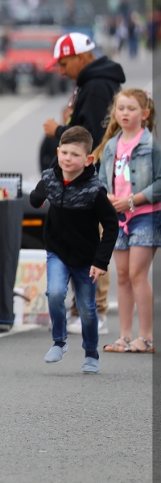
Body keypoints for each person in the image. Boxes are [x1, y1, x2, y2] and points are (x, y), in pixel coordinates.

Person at [29, 126, 119, 373]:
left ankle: (91, 352)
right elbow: (36, 198)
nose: (68, 159)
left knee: (87, 309)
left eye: (75, 155)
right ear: (58, 152)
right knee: (55, 293)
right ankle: (59, 342)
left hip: (86, 257)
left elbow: (112, 225)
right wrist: (38, 197)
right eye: (65, 153)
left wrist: (101, 261)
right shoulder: (50, 177)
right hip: (57, 250)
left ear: (88, 160)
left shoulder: (94, 190)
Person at [95, 89, 157, 354]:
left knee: (137, 273)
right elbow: (99, 181)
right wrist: (107, 197)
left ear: (144, 114)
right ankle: (123, 336)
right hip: (117, 218)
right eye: (121, 108)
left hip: (145, 216)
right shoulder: (111, 146)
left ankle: (145, 337)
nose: (125, 113)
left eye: (131, 109)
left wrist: (133, 200)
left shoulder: (151, 145)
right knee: (121, 275)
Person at [42, 32, 125, 149]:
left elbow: (91, 138)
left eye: (64, 64)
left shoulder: (96, 87)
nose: (62, 72)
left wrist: (57, 131)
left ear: (81, 58)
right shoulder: (95, 82)